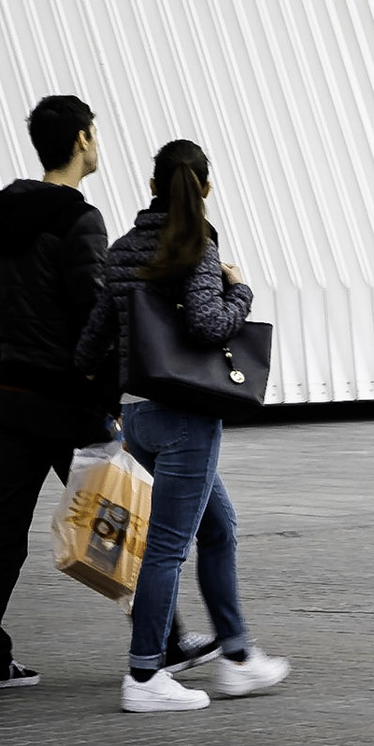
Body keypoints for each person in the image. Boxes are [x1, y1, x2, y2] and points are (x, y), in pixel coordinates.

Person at [0, 97, 217, 690]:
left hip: (18, 393)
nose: (97, 143)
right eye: (95, 133)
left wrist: (3, 374)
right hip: (69, 397)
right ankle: (167, 641)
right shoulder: (80, 218)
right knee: (125, 512)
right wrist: (107, 398)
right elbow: (95, 316)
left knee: (6, 521)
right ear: (81, 139)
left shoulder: (5, 214)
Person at [76, 138, 291, 713]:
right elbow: (206, 324)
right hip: (185, 417)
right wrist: (239, 287)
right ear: (205, 187)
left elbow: (92, 340)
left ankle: (238, 657)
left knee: (218, 528)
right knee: (167, 548)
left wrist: (107, 405)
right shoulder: (195, 247)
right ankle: (144, 677)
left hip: (137, 415)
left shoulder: (122, 250)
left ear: (151, 187)